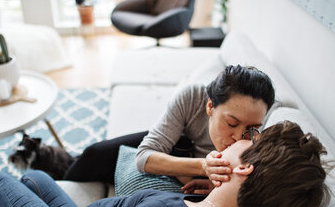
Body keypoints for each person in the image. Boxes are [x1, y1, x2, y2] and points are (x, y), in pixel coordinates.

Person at [0, 121, 330, 207]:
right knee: (35, 177)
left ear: (246, 170)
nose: (238, 140)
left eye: (249, 138)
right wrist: (222, 192)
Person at [64, 65, 275, 191]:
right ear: (210, 105)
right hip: (179, 146)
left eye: (252, 128)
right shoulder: (193, 97)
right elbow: (144, 157)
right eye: (231, 123)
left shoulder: (265, 134)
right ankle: (57, 168)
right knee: (93, 154)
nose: (239, 137)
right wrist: (203, 166)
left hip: (182, 174)